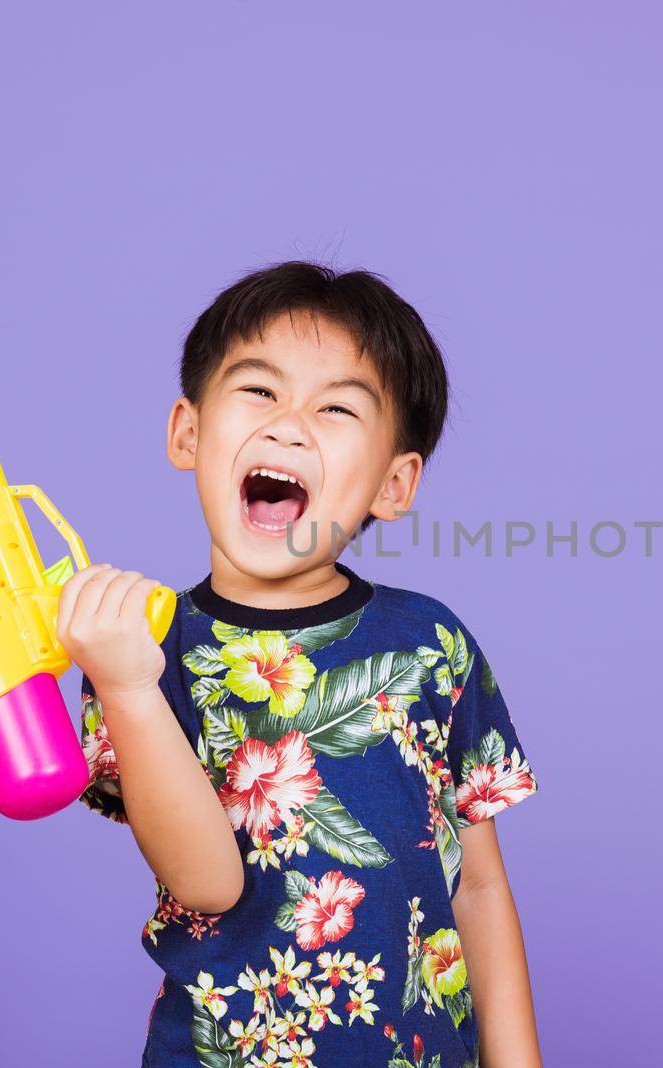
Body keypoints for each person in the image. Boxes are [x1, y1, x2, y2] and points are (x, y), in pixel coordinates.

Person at [59, 262, 542, 1067]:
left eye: (337, 408)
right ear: (188, 432)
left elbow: (482, 890)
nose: (288, 427)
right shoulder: (142, 652)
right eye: (258, 392)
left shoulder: (431, 644)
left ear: (394, 483)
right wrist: (127, 686)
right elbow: (206, 883)